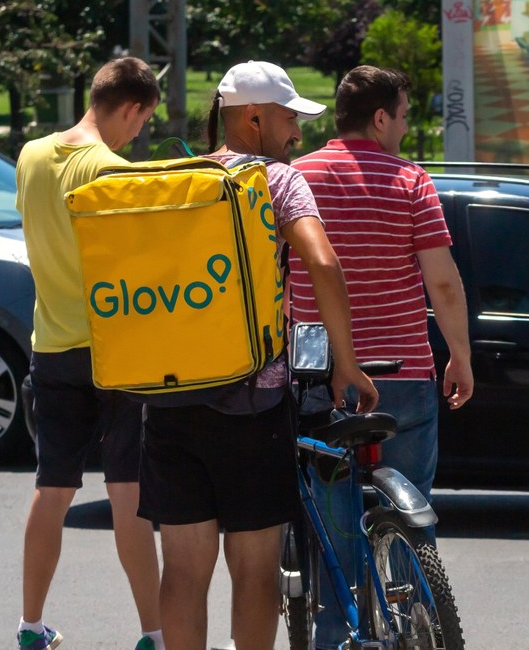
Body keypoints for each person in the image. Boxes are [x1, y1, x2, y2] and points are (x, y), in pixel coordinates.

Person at [135, 60, 378, 650]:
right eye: (290, 118)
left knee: (185, 574)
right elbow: (322, 263)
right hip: (255, 403)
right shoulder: (279, 181)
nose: (297, 133)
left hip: (172, 398)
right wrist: (345, 362)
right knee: (255, 572)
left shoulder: (178, 177)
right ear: (252, 116)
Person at [289, 64, 474, 649]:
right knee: (413, 518)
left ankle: (335, 633)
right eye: (402, 116)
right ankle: (419, 626)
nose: (404, 127)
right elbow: (442, 283)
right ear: (379, 117)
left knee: (335, 527)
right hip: (403, 375)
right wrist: (461, 356)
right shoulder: (411, 181)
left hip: (321, 376)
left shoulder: (294, 180)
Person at [14, 57, 163, 650]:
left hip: (51, 344)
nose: (139, 135)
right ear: (131, 107)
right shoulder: (108, 169)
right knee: (128, 491)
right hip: (115, 351)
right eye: (142, 122)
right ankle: (153, 632)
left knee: (53, 487)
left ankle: (29, 626)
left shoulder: (30, 155)